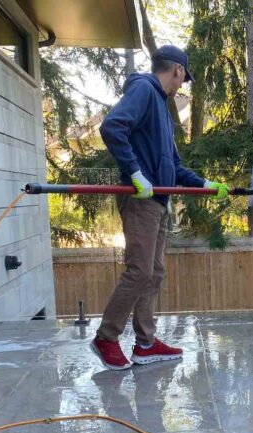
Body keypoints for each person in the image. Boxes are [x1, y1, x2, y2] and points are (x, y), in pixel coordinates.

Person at [90, 45, 228, 370]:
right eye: (183, 78)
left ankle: (146, 343)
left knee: (154, 272)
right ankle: (106, 337)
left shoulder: (163, 112)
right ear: (177, 70)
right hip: (141, 200)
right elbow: (112, 127)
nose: (181, 85)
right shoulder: (144, 89)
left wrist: (205, 184)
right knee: (139, 270)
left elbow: (175, 167)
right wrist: (135, 172)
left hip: (158, 202)